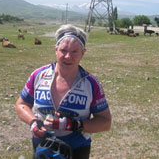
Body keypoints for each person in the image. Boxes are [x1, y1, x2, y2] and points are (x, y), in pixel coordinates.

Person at [16, 24, 112, 159]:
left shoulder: (91, 84)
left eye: (74, 52)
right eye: (63, 50)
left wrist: (74, 125)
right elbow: (21, 104)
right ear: (55, 49)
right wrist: (33, 122)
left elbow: (105, 122)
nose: (68, 56)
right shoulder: (38, 75)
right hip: (42, 147)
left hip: (76, 150)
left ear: (83, 53)